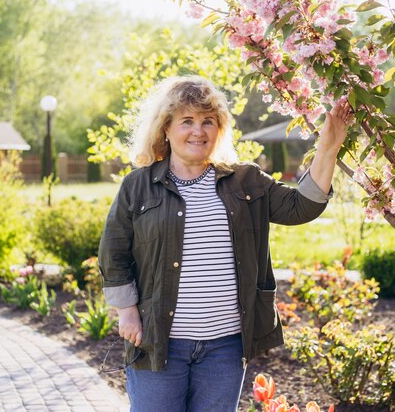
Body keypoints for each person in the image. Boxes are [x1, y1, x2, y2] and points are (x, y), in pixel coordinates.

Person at [98, 75, 351, 412]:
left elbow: (300, 207)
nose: (198, 131)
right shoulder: (138, 186)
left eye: (208, 121)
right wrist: (127, 312)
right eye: (187, 121)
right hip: (158, 342)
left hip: (225, 347)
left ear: (220, 129)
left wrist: (328, 148)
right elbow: (113, 251)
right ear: (166, 129)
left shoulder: (244, 180)